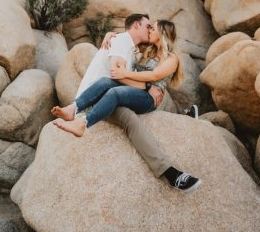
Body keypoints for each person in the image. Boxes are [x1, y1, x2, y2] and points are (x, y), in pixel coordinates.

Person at [50, 14, 202, 193]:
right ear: (137, 26)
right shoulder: (140, 49)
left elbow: (152, 76)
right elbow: (121, 69)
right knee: (107, 85)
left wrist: (128, 75)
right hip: (128, 95)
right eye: (148, 27)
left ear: (162, 34)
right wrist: (110, 35)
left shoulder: (171, 58)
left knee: (114, 92)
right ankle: (74, 110)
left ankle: (83, 122)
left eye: (153, 28)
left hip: (144, 98)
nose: (150, 30)